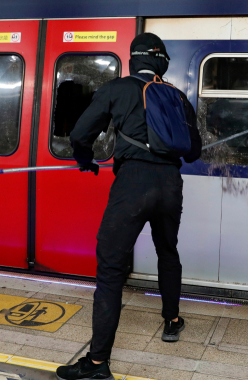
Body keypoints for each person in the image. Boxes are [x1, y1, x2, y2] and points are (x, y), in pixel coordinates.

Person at [56, 33, 202, 380]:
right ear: (161, 63)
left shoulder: (115, 89)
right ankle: (172, 320)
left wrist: (85, 160)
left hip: (132, 184)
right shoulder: (177, 96)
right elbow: (193, 151)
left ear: (133, 60)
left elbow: (79, 135)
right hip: (169, 184)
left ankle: (96, 364)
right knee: (167, 250)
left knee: (110, 270)